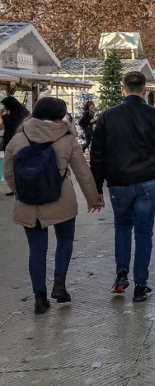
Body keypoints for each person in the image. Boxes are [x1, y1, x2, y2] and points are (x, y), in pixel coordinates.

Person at [4, 97, 103, 314]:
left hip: (29, 203)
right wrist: (93, 198)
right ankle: (60, 284)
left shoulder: (18, 138)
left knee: (36, 249)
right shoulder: (67, 139)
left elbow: (9, 173)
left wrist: (22, 190)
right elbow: (82, 172)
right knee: (65, 239)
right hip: (62, 199)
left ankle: (39, 298)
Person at [90, 71, 155, 302]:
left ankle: (121, 273)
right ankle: (141, 284)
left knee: (122, 227)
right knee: (144, 232)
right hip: (148, 179)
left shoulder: (107, 117)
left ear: (123, 90)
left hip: (119, 181)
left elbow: (97, 155)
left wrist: (97, 187)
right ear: (145, 90)